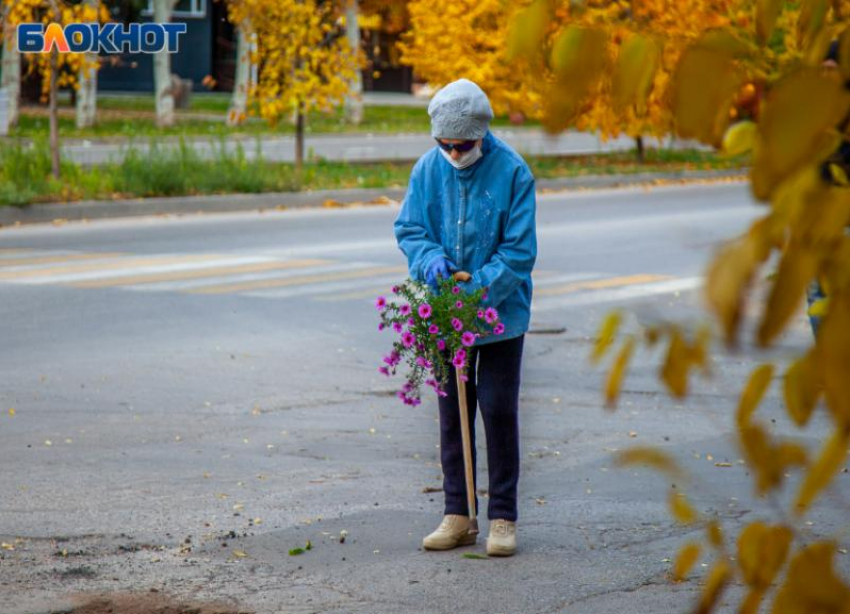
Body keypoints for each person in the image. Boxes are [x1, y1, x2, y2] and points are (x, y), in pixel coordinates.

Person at [393, 79, 537, 557]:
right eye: (445, 145)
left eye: (463, 145)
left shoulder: (513, 173)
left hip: (499, 314)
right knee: (452, 413)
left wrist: (475, 290)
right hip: (443, 312)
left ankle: (502, 518)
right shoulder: (427, 170)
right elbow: (410, 227)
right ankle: (458, 512)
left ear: (482, 134)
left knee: (496, 409)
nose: (454, 153)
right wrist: (428, 258)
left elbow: (518, 254)